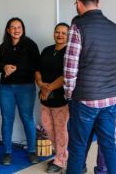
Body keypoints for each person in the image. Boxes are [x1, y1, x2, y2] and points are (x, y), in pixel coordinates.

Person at [64, 0, 116, 174]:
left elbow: (70, 67)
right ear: (98, 2)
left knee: (78, 148)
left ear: (78, 3)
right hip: (111, 99)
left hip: (85, 100)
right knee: (109, 146)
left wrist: (69, 96)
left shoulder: (78, 27)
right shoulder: (115, 29)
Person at [0, 17, 40, 165]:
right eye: (13, 27)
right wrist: (4, 67)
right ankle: (7, 152)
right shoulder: (4, 46)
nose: (16, 30)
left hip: (26, 88)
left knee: (27, 118)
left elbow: (37, 65)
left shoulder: (30, 44)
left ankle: (32, 151)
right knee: (7, 120)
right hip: (6, 88)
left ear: (23, 29)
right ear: (8, 30)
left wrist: (16, 68)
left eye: (19, 27)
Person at [82, 57, 116, 174]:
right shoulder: (84, 52)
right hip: (85, 106)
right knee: (82, 140)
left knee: (106, 143)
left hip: (108, 108)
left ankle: (102, 170)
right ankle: (79, 166)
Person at [35, 23, 70, 173]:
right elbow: (37, 69)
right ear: (54, 33)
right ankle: (61, 154)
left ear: (68, 35)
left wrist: (48, 88)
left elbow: (66, 75)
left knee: (60, 130)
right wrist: (41, 84)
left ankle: (60, 160)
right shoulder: (47, 50)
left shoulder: (69, 52)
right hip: (45, 98)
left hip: (60, 99)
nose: (60, 35)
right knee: (48, 127)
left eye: (63, 33)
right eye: (57, 32)